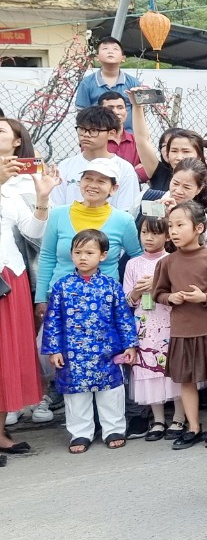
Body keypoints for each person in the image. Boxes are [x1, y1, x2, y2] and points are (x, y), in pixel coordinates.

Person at [41, 227, 139, 454]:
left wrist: (130, 345)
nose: (82, 257)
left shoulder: (111, 285)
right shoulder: (62, 286)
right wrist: (54, 349)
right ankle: (80, 432)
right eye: (78, 252)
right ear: (71, 254)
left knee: (111, 392)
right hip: (72, 353)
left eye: (89, 252)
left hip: (107, 351)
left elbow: (123, 317)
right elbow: (53, 319)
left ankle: (113, 428)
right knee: (76, 395)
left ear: (103, 255)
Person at [151, 202, 207, 449]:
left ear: (198, 227)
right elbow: (159, 293)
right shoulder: (166, 263)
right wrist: (171, 298)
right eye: (171, 226)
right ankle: (193, 427)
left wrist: (205, 298)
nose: (174, 231)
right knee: (185, 380)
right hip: (182, 330)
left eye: (180, 225)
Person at [35, 159, 143, 320]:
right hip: (61, 299)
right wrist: (41, 298)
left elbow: (137, 257)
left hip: (104, 302)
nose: (93, 185)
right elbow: (47, 256)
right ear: (79, 182)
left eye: (101, 181)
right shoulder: (58, 214)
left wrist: (132, 292)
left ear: (114, 188)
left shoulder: (124, 220)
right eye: (88, 179)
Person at [0, 155, 56, 442]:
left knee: (7, 354)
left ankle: (0, 433)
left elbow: (33, 231)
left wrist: (42, 197)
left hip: (11, 277)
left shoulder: (10, 192)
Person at [122, 215, 184, 441]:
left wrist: (156, 284)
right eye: (145, 232)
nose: (149, 238)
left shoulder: (173, 260)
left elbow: (179, 292)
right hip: (145, 324)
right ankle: (158, 419)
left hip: (169, 322)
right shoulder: (132, 264)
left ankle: (179, 416)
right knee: (149, 368)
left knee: (173, 368)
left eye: (155, 233)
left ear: (167, 236)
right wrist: (138, 291)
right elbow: (127, 300)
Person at [49, 106, 140, 211]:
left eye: (93, 130)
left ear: (111, 133)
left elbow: (127, 210)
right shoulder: (65, 166)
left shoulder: (124, 169)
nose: (85, 135)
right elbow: (56, 206)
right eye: (82, 129)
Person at [74, 37, 141, 130]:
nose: (110, 51)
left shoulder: (133, 83)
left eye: (115, 49)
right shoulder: (87, 83)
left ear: (123, 58)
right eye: (105, 49)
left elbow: (139, 113)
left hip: (128, 138)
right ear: (96, 57)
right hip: (98, 136)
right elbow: (82, 114)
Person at [98, 91, 147, 183]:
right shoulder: (94, 139)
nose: (116, 112)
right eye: (110, 108)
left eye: (120, 108)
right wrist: (132, 172)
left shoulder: (137, 141)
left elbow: (148, 168)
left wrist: (129, 177)